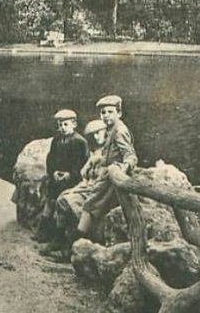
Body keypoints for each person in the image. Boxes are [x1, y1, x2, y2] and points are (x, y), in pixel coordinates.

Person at [39, 119, 111, 258]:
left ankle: (71, 248)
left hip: (102, 190)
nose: (97, 137)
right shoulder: (96, 151)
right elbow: (85, 172)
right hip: (88, 185)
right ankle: (60, 241)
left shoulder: (111, 151)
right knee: (62, 198)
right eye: (94, 135)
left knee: (69, 203)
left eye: (99, 133)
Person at [75, 94, 138, 239]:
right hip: (104, 174)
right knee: (91, 201)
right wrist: (96, 160)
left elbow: (130, 155)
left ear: (119, 113)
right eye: (103, 112)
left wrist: (124, 167)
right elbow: (106, 153)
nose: (106, 115)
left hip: (112, 176)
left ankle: (78, 239)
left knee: (90, 204)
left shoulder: (119, 130)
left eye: (110, 112)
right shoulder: (110, 129)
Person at [37, 109, 88, 244]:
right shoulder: (57, 140)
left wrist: (70, 175)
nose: (62, 128)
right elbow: (51, 159)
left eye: (65, 124)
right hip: (56, 178)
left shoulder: (79, 142)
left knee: (62, 206)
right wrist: (53, 172)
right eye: (59, 125)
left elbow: (82, 163)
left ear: (74, 124)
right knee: (49, 202)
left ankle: (58, 239)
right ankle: (44, 234)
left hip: (71, 181)